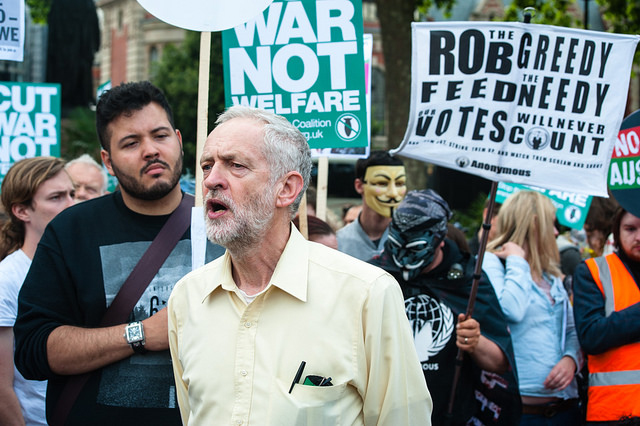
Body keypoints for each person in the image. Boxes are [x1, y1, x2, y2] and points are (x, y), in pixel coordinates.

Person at [167, 106, 432, 425]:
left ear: (287, 189)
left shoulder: (366, 294)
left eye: (235, 165)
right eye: (207, 165)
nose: (211, 180)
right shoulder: (186, 298)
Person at [13, 81, 224, 425]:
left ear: (180, 140)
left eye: (160, 136)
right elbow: (33, 351)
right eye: (131, 143)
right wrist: (140, 334)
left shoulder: (225, 224)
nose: (151, 150)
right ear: (107, 162)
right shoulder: (72, 231)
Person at [371, 189, 520, 425]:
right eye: (399, 245)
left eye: (416, 247)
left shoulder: (467, 280)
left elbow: (500, 363)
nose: (406, 258)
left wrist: (475, 342)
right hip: (385, 412)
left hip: (448, 413)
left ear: (439, 239)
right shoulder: (373, 274)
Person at [482, 191, 582, 425]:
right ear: (534, 224)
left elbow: (572, 329)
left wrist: (571, 359)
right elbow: (511, 310)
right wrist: (517, 260)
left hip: (565, 408)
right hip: (521, 412)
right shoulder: (492, 262)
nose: (557, 233)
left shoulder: (551, 275)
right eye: (552, 225)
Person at [0, 157, 75, 426]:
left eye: (72, 194)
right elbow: (1, 388)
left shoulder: (80, 266)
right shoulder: (6, 279)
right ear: (22, 211)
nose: (71, 204)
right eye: (56, 197)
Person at [573, 207, 640, 423]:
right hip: (615, 412)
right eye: (630, 229)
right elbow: (591, 336)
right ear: (617, 232)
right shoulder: (593, 271)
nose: (638, 237)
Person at [337, 150, 406, 261]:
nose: (393, 193)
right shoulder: (339, 242)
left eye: (399, 184)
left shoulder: (411, 239)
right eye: (382, 183)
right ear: (359, 186)